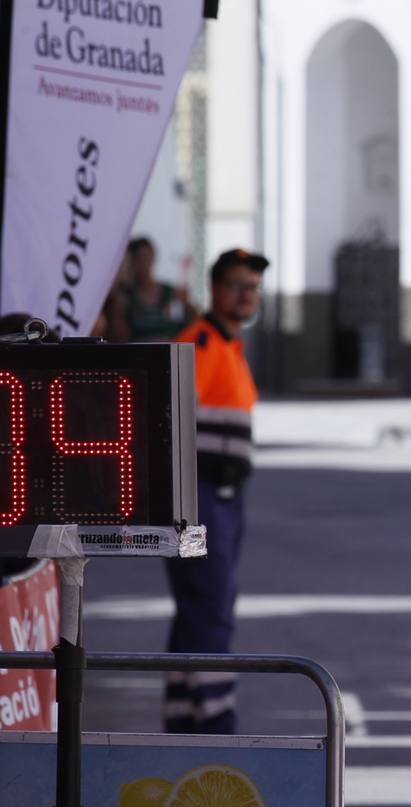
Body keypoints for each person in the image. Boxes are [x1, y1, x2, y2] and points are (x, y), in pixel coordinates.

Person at [163, 248, 266, 734]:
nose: (247, 295)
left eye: (253, 287)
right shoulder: (199, 343)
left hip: (222, 498)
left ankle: (186, 717)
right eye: (237, 286)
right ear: (215, 290)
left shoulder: (228, 346)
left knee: (200, 609)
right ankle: (212, 723)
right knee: (212, 607)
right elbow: (171, 423)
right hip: (197, 500)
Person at [107, 236, 198, 342]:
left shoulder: (172, 294)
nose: (144, 264)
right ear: (130, 261)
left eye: (147, 258)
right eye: (139, 259)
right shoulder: (124, 298)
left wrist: (188, 307)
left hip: (171, 354)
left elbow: (195, 326)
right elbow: (118, 339)